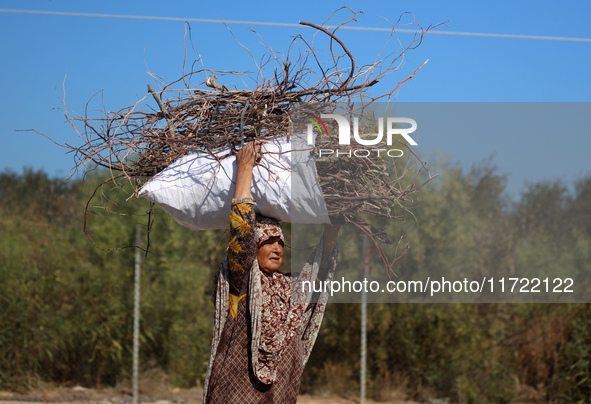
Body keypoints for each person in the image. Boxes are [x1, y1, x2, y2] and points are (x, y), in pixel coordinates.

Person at [203, 141, 340, 403]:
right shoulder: (241, 280)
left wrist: (333, 221)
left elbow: (320, 271)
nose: (277, 248)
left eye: (281, 242)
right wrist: (245, 168)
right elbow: (241, 233)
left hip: (279, 395)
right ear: (254, 246)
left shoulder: (289, 288)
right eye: (268, 241)